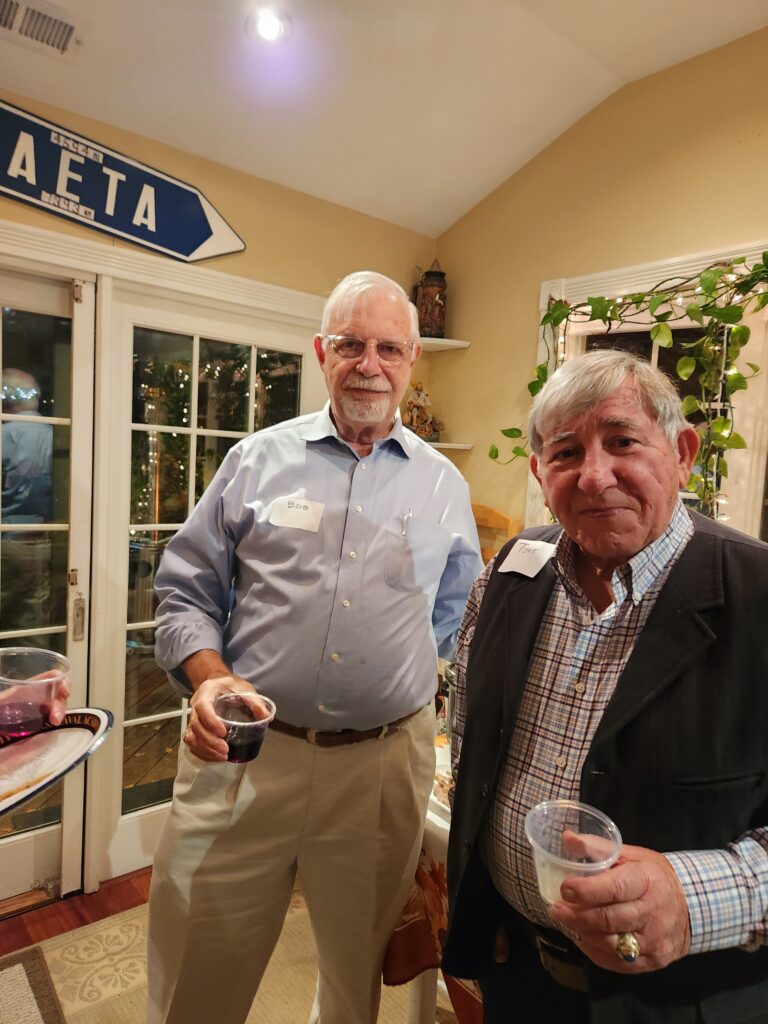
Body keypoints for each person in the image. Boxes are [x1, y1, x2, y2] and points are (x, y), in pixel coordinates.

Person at [147, 270, 482, 1024]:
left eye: (389, 348)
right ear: (321, 352)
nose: (370, 364)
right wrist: (209, 678)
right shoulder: (254, 461)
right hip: (243, 757)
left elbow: (455, 620)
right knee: (196, 959)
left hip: (381, 770)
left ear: (413, 358)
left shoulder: (443, 487)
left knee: (353, 979)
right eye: (351, 344)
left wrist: (386, 675)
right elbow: (185, 592)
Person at [443, 349, 768, 1023]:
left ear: (683, 453)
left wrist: (694, 898)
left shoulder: (756, 595)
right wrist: (482, 896)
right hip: (518, 974)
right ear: (540, 473)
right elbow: (472, 741)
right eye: (566, 453)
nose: (594, 475)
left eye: (622, 442)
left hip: (680, 1000)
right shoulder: (509, 572)